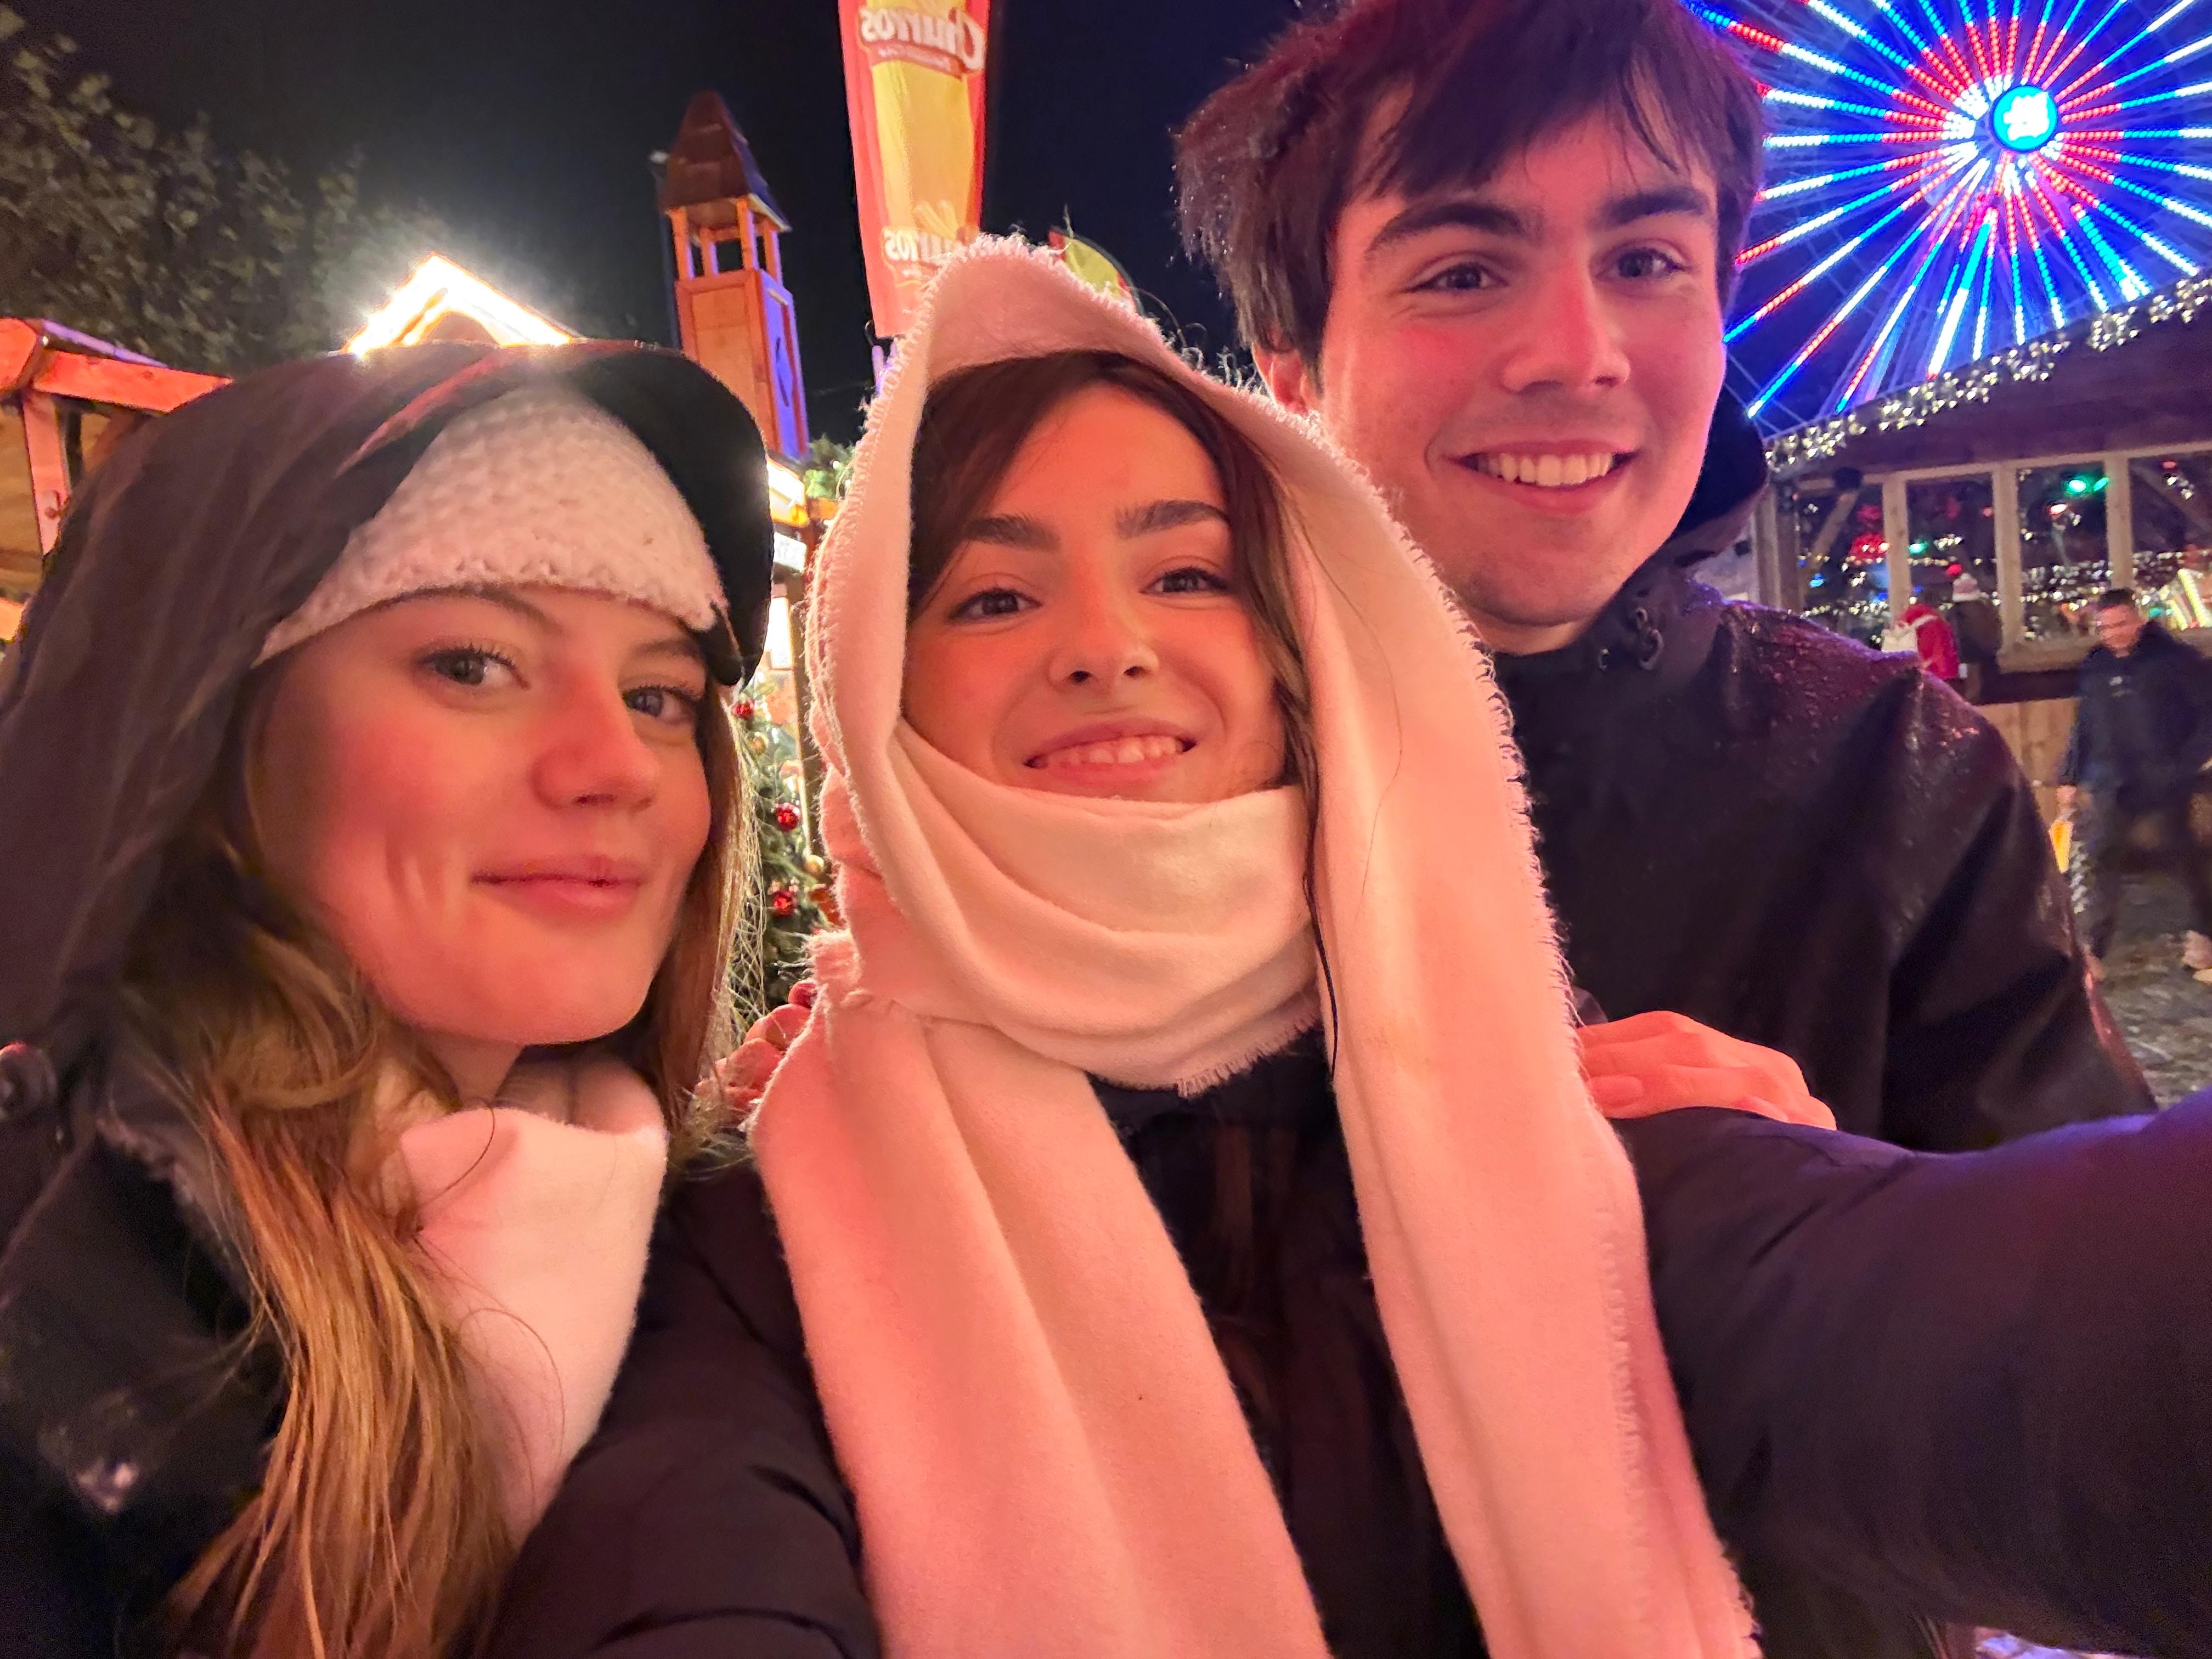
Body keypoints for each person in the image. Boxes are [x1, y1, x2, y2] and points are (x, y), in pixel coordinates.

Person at [489, 241, 2212, 1659]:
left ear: (1299, 647)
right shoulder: (764, 1225)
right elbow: (687, 1560)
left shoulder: (1546, 1103)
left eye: (1188, 577)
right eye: (996, 597)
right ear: (879, 685)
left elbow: (1983, 1346)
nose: (1106, 647)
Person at [1172, 0, 2147, 1148]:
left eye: (1644, 262)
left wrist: (1830, 1211)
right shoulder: (1137, 769)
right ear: (1289, 365)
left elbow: (2085, 1237)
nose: (1577, 354)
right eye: (1463, 273)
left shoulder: (1901, 776)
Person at [0, 341, 776, 1658]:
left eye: (659, 695)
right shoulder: (71, 1323)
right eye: (472, 665)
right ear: (209, 740)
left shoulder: (716, 1242)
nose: (618, 765)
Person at [2057, 587, 2212, 980]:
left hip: (2165, 777)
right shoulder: (2096, 667)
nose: (2113, 634)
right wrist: (2070, 775)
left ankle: (2203, 933)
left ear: (2139, 620)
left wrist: (2186, 764)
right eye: (2105, 627)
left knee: (2183, 857)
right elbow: (2084, 725)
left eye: (2120, 624)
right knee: (2099, 858)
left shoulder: (2176, 661)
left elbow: (2207, 717)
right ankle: (2092, 948)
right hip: (2110, 778)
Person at [1948, 571, 2002, 701]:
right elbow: (1997, 632)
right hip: (1990, 657)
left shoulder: (1956, 612)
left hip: (1969, 658)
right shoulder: (1987, 608)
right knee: (1990, 694)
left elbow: (1955, 636)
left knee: (1973, 694)